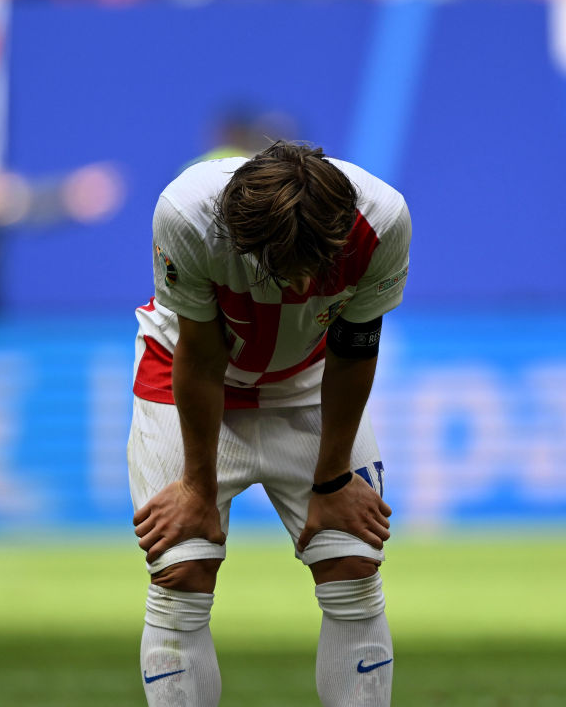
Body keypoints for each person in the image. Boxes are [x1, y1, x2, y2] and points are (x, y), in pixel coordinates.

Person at [127, 141, 411, 706]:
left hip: (310, 379)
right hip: (186, 372)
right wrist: (196, 488)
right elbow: (201, 356)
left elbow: (355, 346)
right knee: (182, 568)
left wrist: (333, 480)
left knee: (353, 560)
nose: (304, 289)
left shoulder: (383, 222)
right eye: (285, 271)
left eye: (316, 269)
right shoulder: (186, 215)